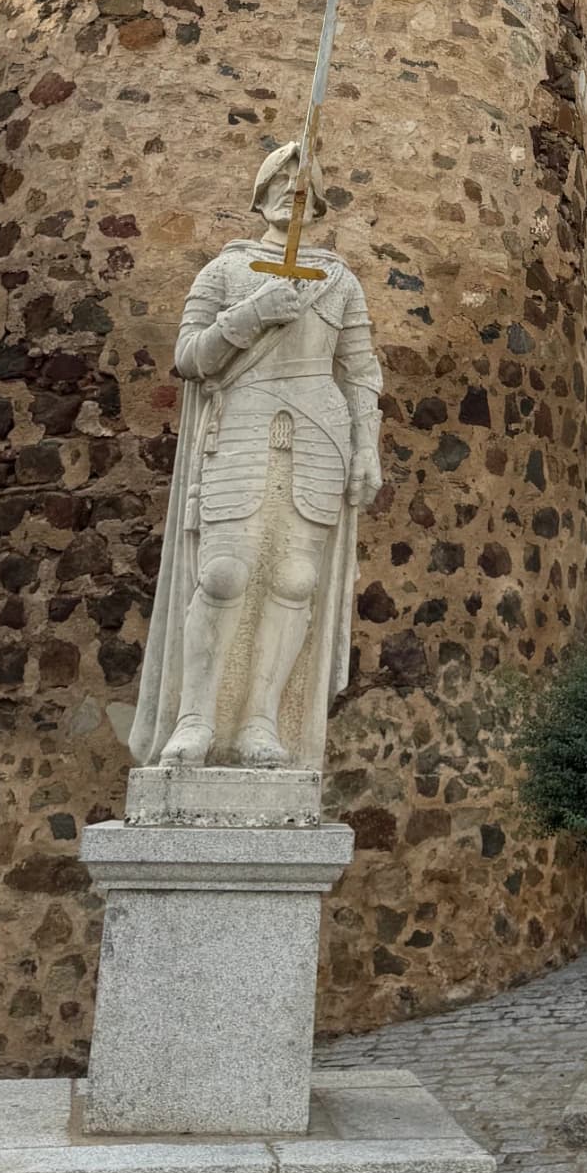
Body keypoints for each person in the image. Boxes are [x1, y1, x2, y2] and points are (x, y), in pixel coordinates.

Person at [128, 138, 383, 773]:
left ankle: (262, 722)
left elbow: (360, 371)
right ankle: (195, 719)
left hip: (319, 436)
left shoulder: (339, 281)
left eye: (302, 193)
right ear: (262, 196)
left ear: (316, 205)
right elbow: (190, 358)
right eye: (281, 189)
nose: (291, 201)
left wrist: (367, 447)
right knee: (223, 574)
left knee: (294, 580)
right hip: (240, 425)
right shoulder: (225, 271)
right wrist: (254, 313)